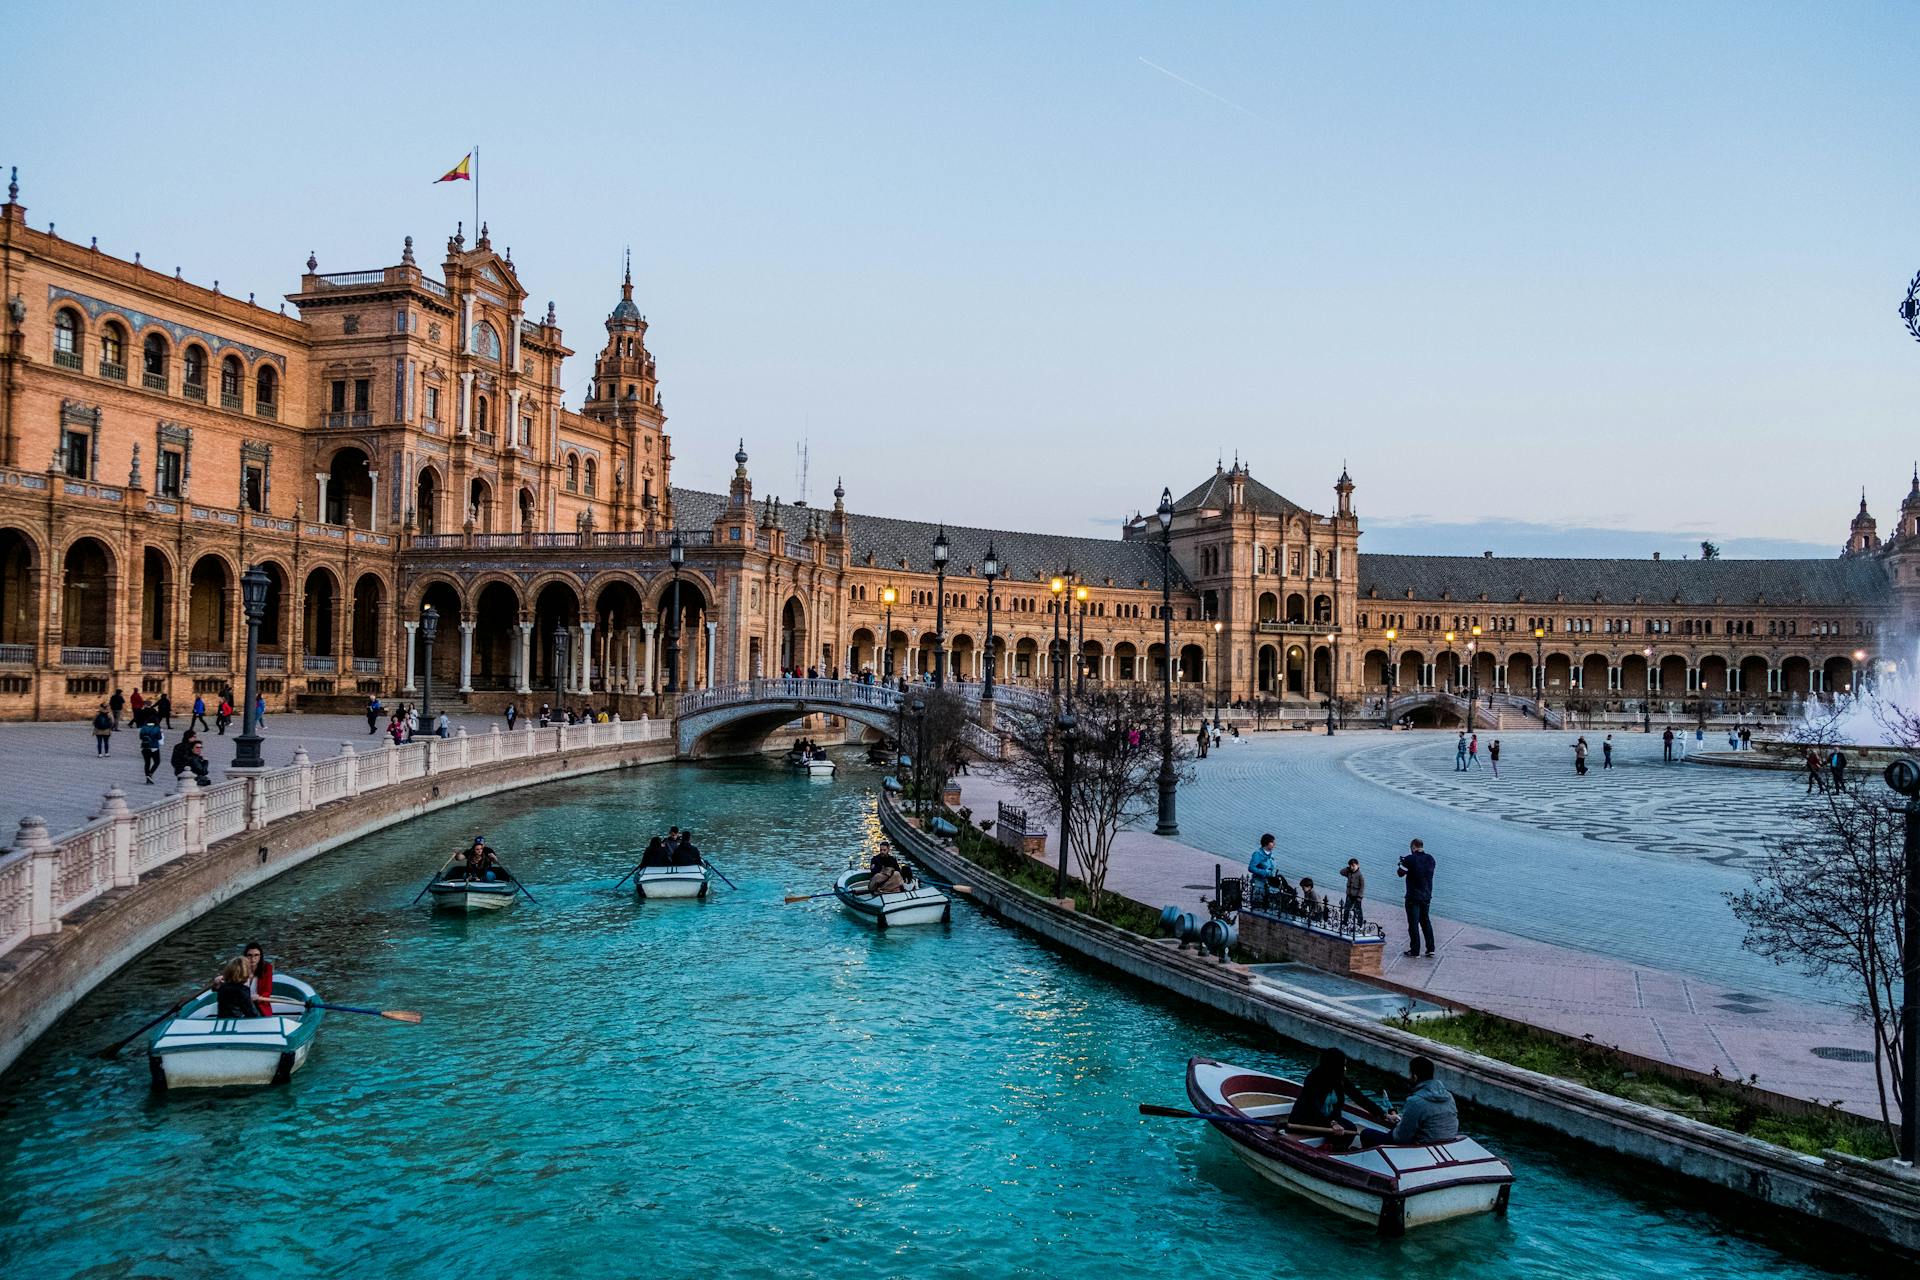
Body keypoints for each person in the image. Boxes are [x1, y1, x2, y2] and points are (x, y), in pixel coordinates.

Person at [1360, 1056, 1459, 1148]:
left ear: (1415, 1076)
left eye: (1410, 1074)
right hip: (1447, 1143)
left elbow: (1401, 1138)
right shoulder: (1449, 1097)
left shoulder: (1415, 1101)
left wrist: (1397, 1128)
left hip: (1422, 1147)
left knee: (1367, 1134)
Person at [1290, 1047, 1390, 1138]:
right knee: (1340, 1133)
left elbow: (1359, 1097)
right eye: (1343, 1066)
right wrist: (1332, 1123)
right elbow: (1313, 1107)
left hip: (1329, 1118)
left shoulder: (1340, 1080)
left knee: (1351, 1128)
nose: (1345, 1069)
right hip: (1308, 1119)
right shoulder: (1313, 1079)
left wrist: (1383, 1114)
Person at [1397, 838, 1436, 958]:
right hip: (1426, 895)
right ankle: (1430, 948)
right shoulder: (1431, 859)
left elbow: (1400, 873)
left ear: (1413, 847)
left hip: (1413, 896)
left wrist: (1402, 864)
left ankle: (1415, 950)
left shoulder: (1409, 858)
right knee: (1425, 921)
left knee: (1413, 924)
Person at [242, 941, 276, 1017]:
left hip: (258, 1003)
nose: (253, 958)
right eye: (249, 955)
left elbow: (267, 991)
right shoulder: (239, 968)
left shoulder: (267, 968)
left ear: (260, 956)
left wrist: (259, 997)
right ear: (245, 956)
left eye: (256, 955)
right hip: (241, 1004)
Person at [1247, 834, 1280, 907]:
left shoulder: (1271, 855)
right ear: (1266, 843)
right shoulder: (1258, 854)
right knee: (1258, 903)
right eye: (1272, 842)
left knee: (1269, 903)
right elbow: (1251, 868)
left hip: (1269, 882)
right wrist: (1264, 872)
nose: (1274, 844)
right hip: (1259, 882)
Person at [1338, 858, 1365, 931]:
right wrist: (1347, 868)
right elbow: (1341, 872)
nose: (1352, 867)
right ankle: (1345, 922)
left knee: (1358, 910)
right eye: (1350, 866)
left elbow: (1362, 887)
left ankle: (1360, 924)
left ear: (1358, 865)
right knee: (1346, 909)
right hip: (1349, 895)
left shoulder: (1360, 875)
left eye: (1353, 866)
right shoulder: (1349, 872)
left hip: (1357, 896)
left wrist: (1359, 897)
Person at [139, 718, 164, 784]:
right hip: (154, 747)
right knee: (157, 762)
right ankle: (150, 773)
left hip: (145, 747)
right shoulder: (156, 728)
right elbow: (159, 738)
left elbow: (141, 737)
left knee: (147, 763)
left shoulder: (143, 728)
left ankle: (147, 776)